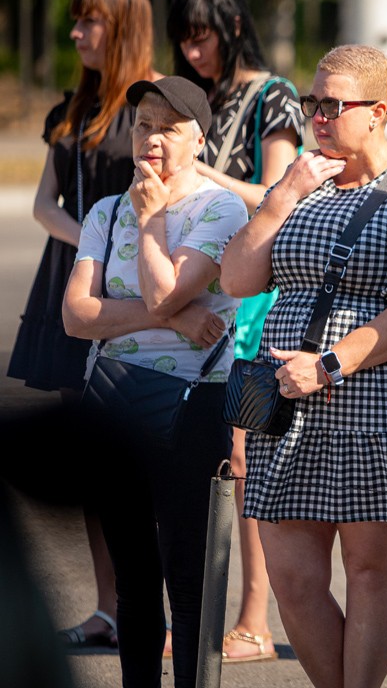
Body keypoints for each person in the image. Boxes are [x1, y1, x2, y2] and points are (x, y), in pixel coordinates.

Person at [222, 44, 387, 688]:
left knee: (368, 568)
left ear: (378, 111)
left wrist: (330, 365)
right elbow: (238, 276)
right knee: (293, 578)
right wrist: (283, 196)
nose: (319, 116)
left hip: (376, 400)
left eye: (334, 105)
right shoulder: (304, 184)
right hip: (283, 401)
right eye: (313, 103)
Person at [62, 76, 247, 688]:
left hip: (195, 405)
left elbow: (163, 285)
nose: (152, 138)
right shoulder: (104, 210)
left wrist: (151, 223)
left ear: (199, 137)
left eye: (168, 127)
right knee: (135, 580)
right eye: (142, 123)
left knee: (188, 577)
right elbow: (76, 316)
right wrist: (178, 316)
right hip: (114, 403)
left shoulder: (220, 208)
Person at [9, 0, 155, 652]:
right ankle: (108, 609)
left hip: (129, 291)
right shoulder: (73, 109)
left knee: (140, 460)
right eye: (75, 22)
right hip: (69, 284)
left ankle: (153, 613)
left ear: (120, 26)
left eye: (88, 22)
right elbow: (43, 206)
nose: (76, 33)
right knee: (96, 466)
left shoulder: (155, 107)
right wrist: (89, 237)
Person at [166, 0, 303, 664]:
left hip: (255, 297)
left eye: (203, 38)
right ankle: (202, 612)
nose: (194, 53)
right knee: (198, 455)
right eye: (184, 41)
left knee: (245, 456)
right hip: (198, 291)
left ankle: (254, 620)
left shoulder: (271, 96)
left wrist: (197, 173)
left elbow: (274, 195)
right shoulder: (200, 97)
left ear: (233, 27)